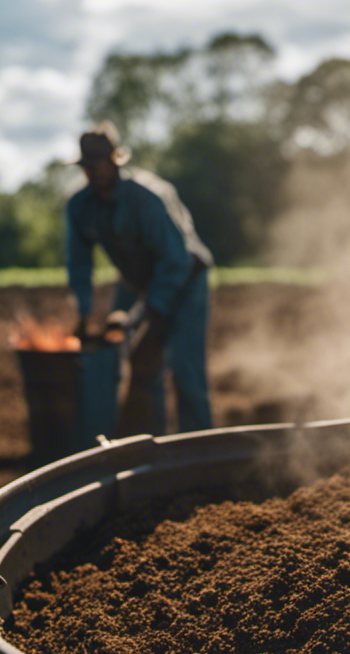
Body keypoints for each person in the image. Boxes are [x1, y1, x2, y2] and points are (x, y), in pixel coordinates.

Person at [66, 121, 214, 436]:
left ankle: (200, 448)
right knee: (141, 365)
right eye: (88, 167)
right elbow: (78, 263)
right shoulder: (80, 206)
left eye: (100, 164)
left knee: (186, 370)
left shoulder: (146, 198)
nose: (95, 173)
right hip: (140, 281)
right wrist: (83, 312)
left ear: (115, 160)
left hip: (186, 277)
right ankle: (153, 445)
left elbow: (175, 261)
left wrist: (145, 315)